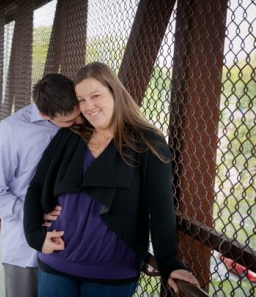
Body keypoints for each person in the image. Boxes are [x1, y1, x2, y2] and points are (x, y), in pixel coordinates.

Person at [23, 62, 200, 296]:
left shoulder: (148, 143)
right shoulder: (69, 135)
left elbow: (160, 208)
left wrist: (168, 263)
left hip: (112, 272)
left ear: (114, 92)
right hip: (56, 264)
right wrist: (35, 236)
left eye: (95, 95)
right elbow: (36, 186)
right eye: (81, 99)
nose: (89, 106)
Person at [0, 73, 83, 297]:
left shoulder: (82, 121)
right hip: (25, 250)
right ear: (44, 115)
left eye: (78, 115)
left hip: (73, 244)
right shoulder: (11, 130)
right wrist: (31, 214)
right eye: (70, 122)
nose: (79, 123)